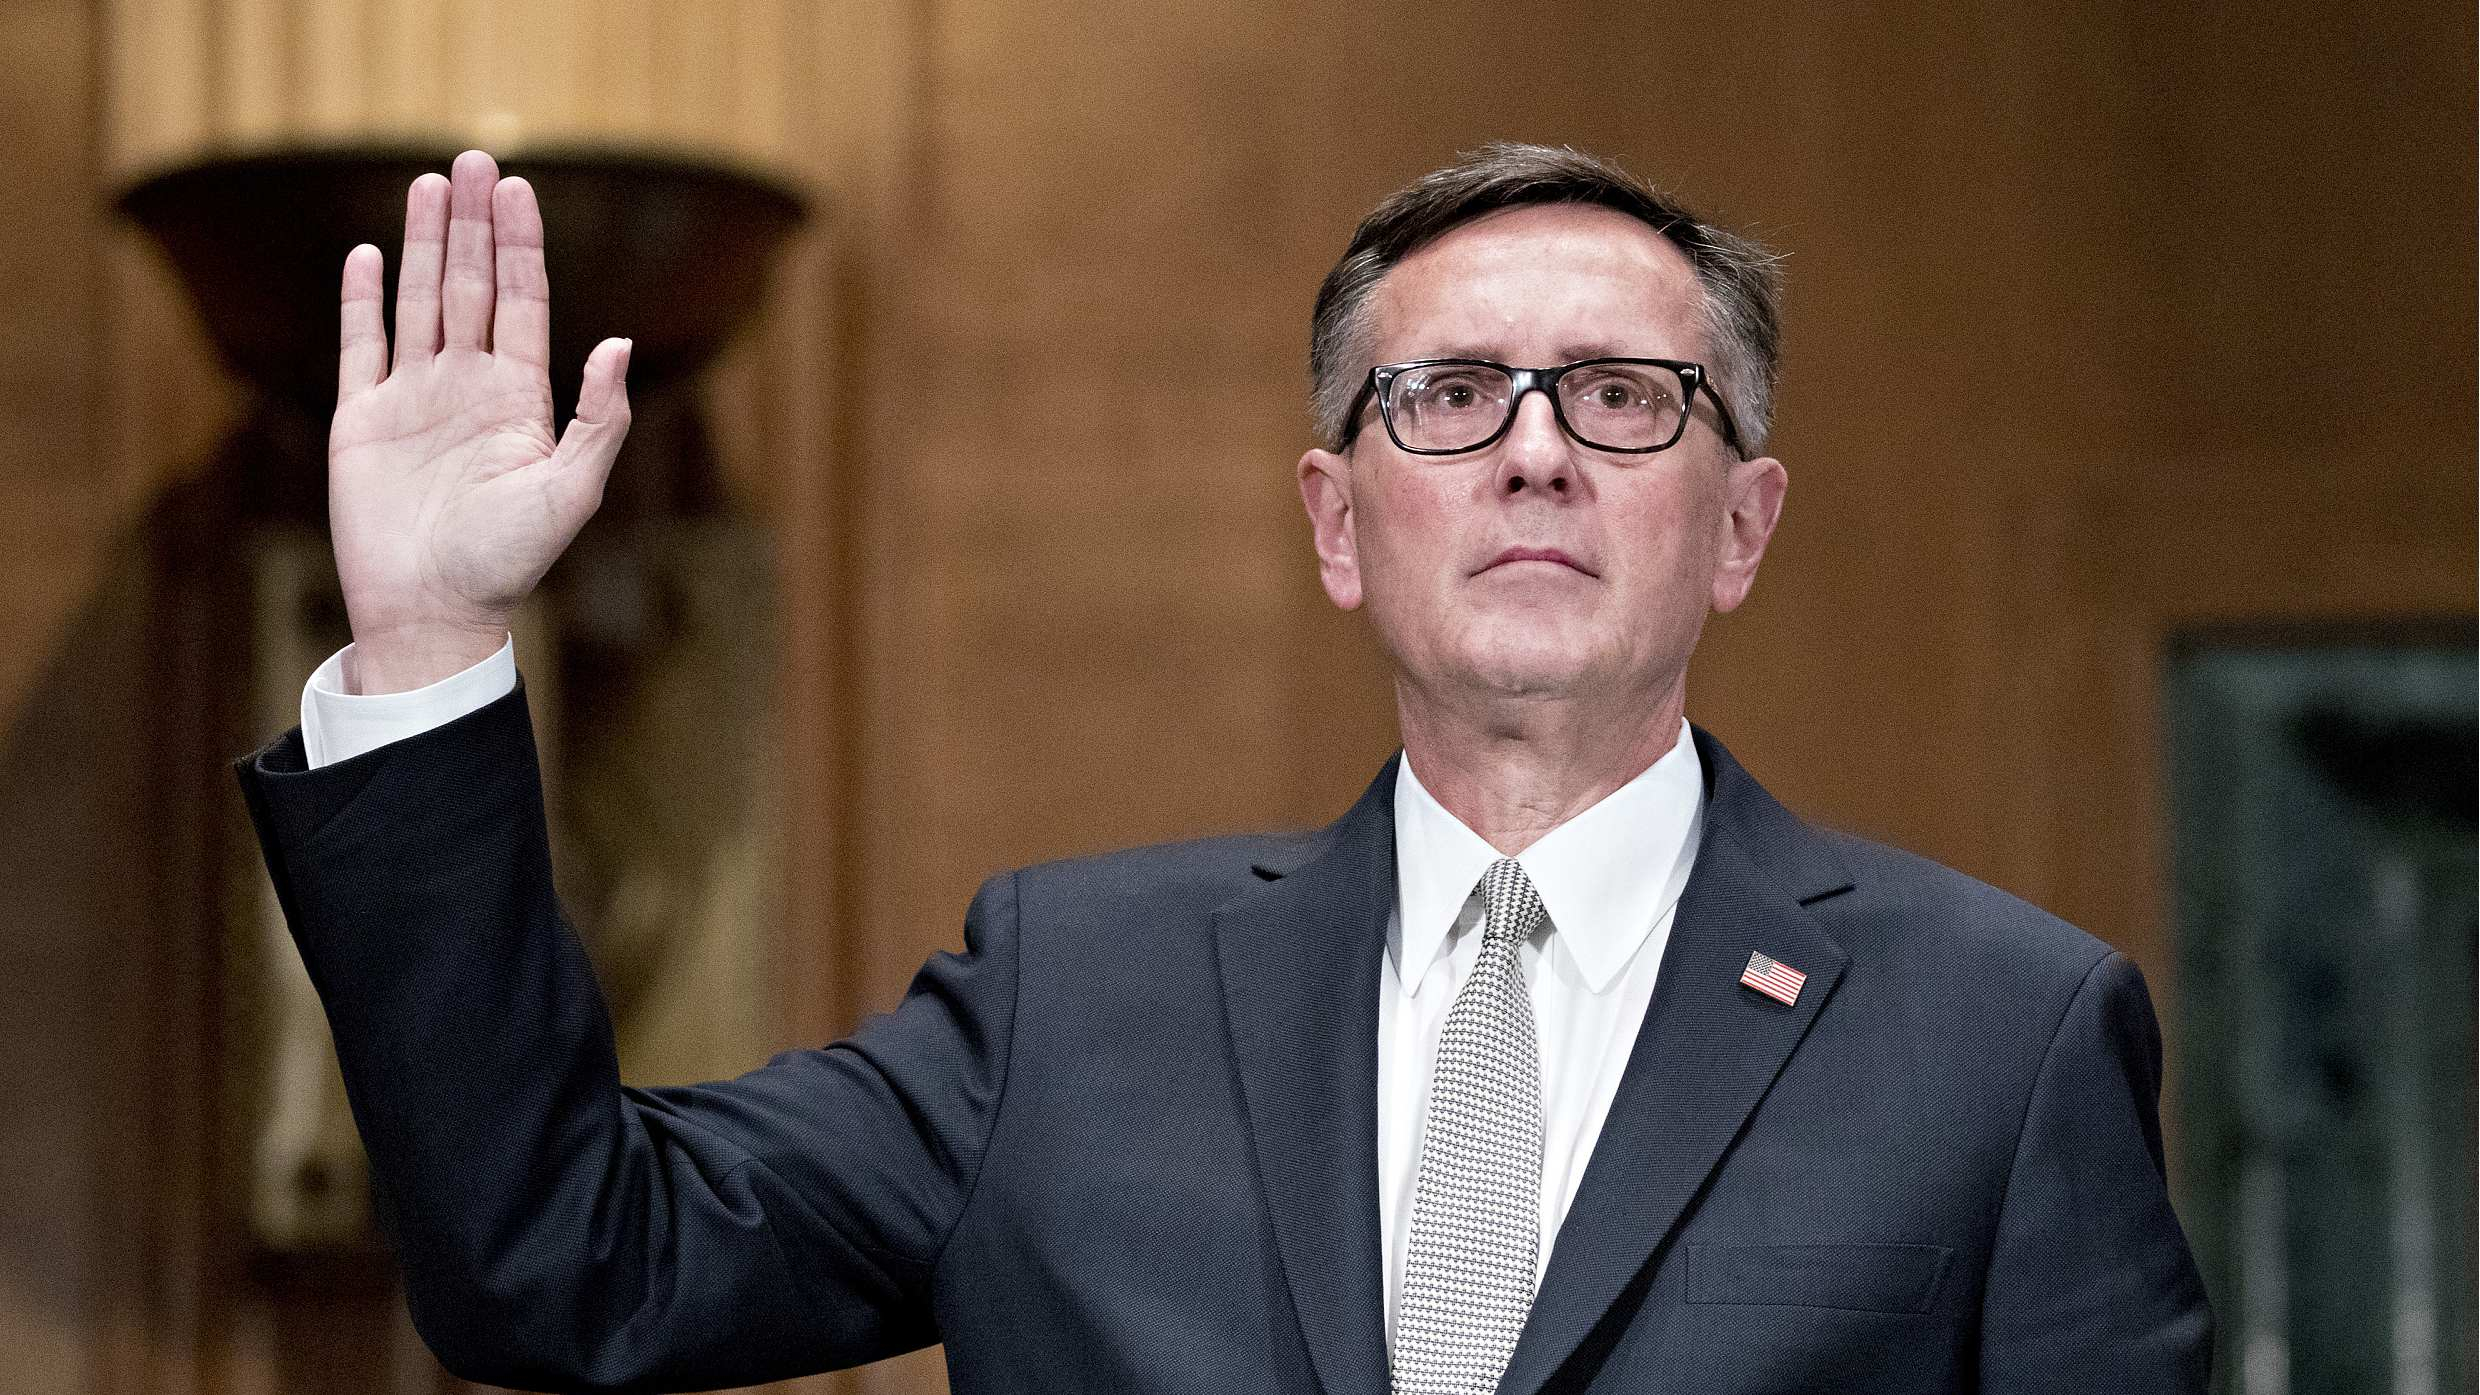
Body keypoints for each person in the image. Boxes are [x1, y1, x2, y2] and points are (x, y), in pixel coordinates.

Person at [236, 142, 2212, 1393]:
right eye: (1449, 395)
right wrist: (426, 642)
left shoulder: (2001, 1035)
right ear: (1338, 523)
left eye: (1623, 397)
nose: (1534, 452)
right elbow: (563, 1262)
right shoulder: (1070, 998)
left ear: (1742, 524)